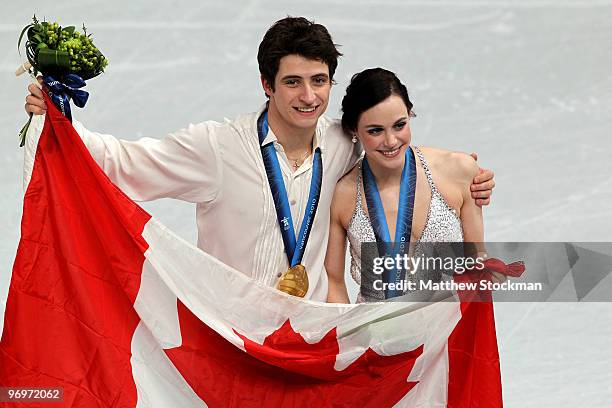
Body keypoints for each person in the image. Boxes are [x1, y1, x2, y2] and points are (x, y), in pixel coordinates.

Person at [23, 17, 495, 302]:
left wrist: (468, 176)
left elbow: (393, 146)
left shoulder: (342, 143)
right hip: (231, 335)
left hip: (309, 339)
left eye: (319, 80)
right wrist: (59, 122)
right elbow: (122, 162)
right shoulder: (217, 148)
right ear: (267, 84)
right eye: (292, 81)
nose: (308, 96)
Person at [326, 68, 486, 303]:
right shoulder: (342, 194)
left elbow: (478, 258)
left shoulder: (457, 170)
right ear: (354, 130)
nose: (391, 141)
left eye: (399, 125)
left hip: (450, 331)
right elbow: (333, 282)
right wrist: (353, 337)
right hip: (376, 335)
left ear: (410, 114)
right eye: (375, 131)